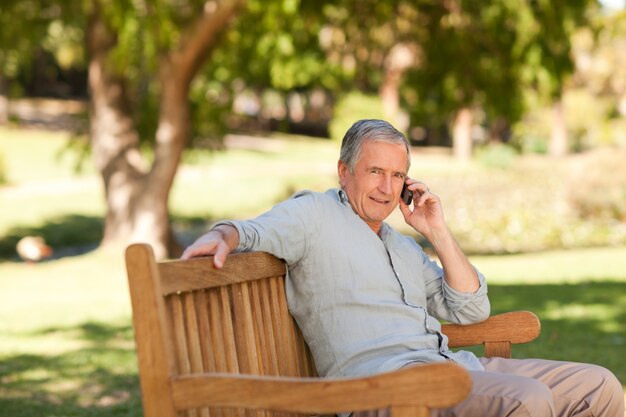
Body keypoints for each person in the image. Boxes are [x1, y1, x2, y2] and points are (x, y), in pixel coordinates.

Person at [182, 119, 624, 417]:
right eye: (375, 171)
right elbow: (257, 230)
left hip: (451, 366)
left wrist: (437, 231)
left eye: (397, 176)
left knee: (599, 386)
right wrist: (224, 235)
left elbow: (471, 310)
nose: (386, 188)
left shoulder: (401, 245)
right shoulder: (314, 215)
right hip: (387, 389)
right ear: (343, 170)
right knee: (526, 401)